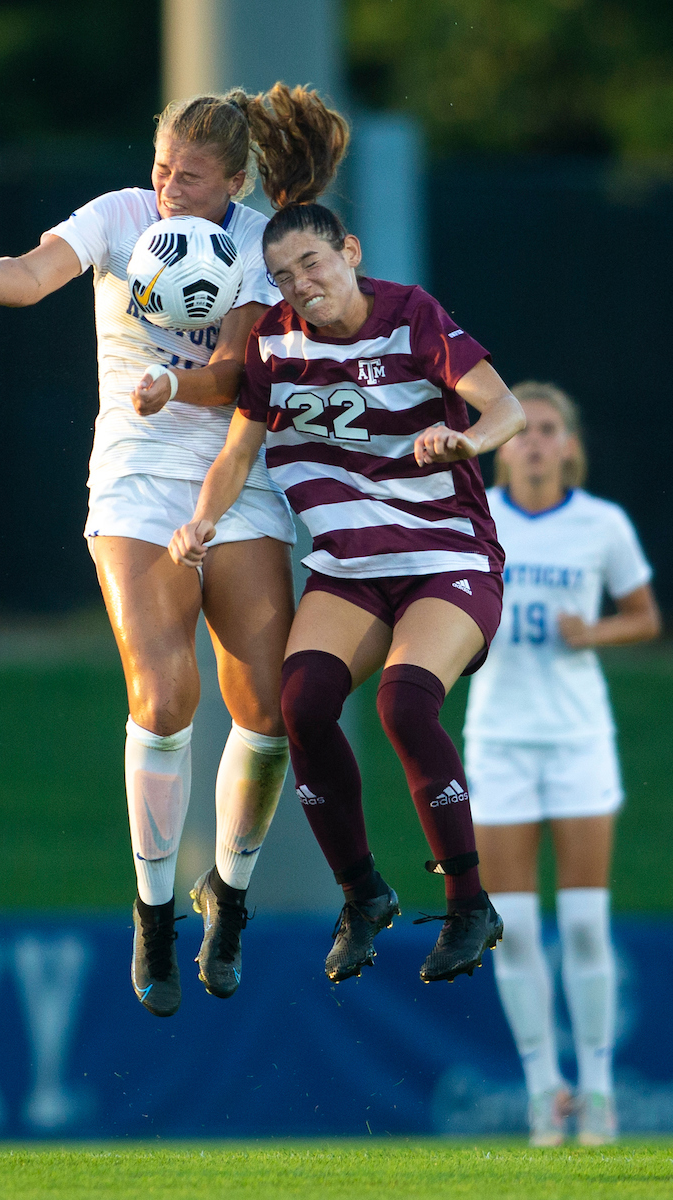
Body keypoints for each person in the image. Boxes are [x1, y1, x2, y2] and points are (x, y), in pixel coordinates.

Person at [0, 84, 350, 1018]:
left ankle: (227, 894)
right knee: (165, 693)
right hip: (137, 477)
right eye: (161, 169)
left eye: (189, 178)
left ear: (234, 180)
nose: (168, 188)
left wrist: (173, 382)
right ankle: (154, 915)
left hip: (235, 472)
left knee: (267, 707)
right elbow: (31, 272)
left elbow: (236, 375)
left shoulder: (260, 247)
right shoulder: (119, 217)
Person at [169, 190, 526, 984]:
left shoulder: (410, 316)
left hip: (446, 556)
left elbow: (508, 410)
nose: (301, 285)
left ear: (351, 253)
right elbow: (237, 453)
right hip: (348, 568)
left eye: (314, 264)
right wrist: (202, 521)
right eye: (284, 275)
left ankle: (470, 904)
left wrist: (463, 438)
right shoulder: (272, 343)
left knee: (404, 703)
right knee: (299, 706)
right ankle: (362, 894)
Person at [462, 381, 661, 1145]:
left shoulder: (601, 524)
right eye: (523, 429)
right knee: (510, 925)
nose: (535, 441)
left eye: (548, 430)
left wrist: (596, 634)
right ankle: (547, 1094)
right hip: (501, 740)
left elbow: (644, 616)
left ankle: (601, 1093)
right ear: (501, 442)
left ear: (569, 445)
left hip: (578, 739)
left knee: (583, 923)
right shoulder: (475, 520)